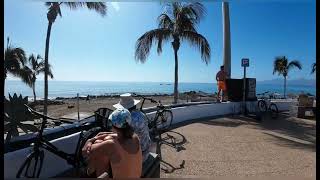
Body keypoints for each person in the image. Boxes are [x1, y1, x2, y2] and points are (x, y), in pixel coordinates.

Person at [82, 108, 142, 178]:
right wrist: (101, 135)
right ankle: (91, 170)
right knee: (101, 144)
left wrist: (89, 141)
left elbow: (84, 151)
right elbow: (115, 135)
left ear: (113, 125)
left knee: (99, 151)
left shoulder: (111, 145)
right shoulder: (134, 136)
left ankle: (90, 170)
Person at [113, 93, 151, 162]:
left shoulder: (128, 120)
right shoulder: (141, 114)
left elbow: (122, 139)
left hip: (140, 156)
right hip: (146, 149)